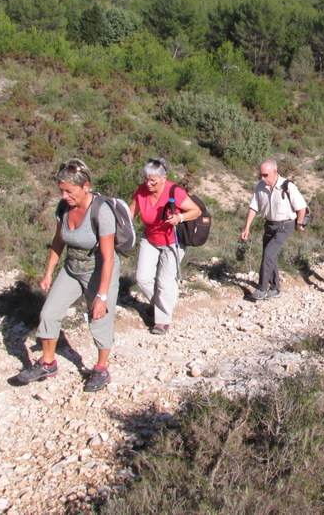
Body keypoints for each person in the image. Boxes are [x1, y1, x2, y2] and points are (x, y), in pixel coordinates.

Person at [16, 159, 119, 392]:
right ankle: (48, 363)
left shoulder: (101, 212)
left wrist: (101, 296)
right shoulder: (63, 207)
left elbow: (109, 258)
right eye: (61, 190)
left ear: (86, 187)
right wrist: (48, 272)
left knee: (100, 319)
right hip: (72, 267)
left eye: (69, 191)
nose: (64, 196)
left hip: (99, 269)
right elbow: (58, 240)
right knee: (49, 313)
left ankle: (101, 369)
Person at [129, 157, 202, 335]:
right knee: (143, 278)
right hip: (150, 238)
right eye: (147, 179)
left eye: (153, 181)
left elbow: (196, 211)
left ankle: (162, 321)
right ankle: (162, 304)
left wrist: (179, 218)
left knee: (165, 281)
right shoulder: (142, 190)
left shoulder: (174, 191)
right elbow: (130, 213)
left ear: (163, 178)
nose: (148, 183)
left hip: (172, 240)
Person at [240, 159, 307, 300]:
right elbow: (253, 207)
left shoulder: (288, 186)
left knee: (268, 254)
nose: (262, 178)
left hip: (285, 225)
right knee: (270, 255)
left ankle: (262, 288)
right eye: (261, 175)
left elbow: (301, 207)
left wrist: (299, 224)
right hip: (269, 225)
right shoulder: (259, 187)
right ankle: (275, 288)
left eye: (265, 175)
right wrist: (247, 227)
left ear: (275, 172)